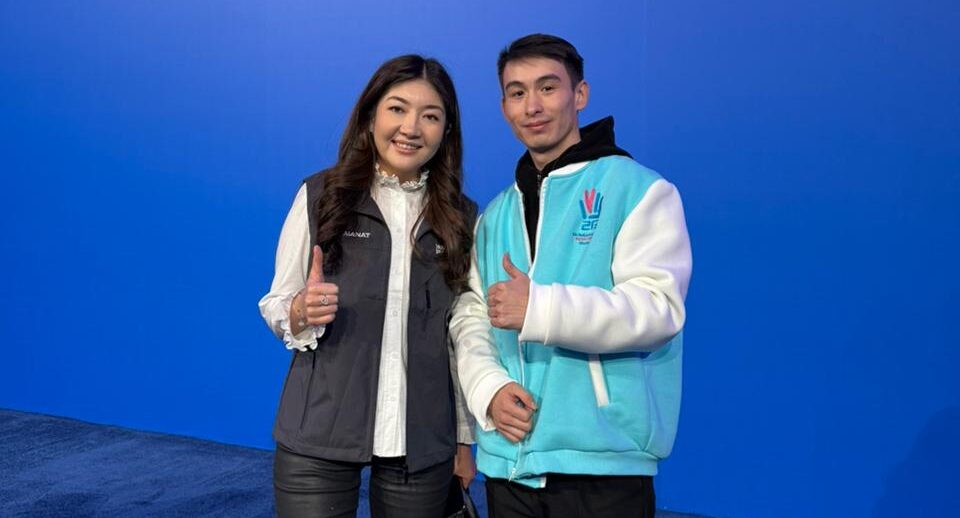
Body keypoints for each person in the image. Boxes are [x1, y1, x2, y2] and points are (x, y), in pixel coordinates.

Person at [449, 34, 692, 517]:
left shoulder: (638, 189)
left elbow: (658, 309)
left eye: (548, 87)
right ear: (504, 107)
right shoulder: (495, 215)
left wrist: (539, 308)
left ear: (579, 94)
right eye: (517, 93)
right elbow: (471, 315)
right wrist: (487, 390)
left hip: (604, 465)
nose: (532, 106)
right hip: (509, 463)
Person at [259, 54, 477, 518]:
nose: (410, 128)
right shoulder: (320, 195)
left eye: (430, 116)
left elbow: (460, 338)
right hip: (319, 430)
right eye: (397, 109)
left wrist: (463, 441)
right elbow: (277, 302)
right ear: (370, 115)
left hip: (422, 442)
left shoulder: (462, 218)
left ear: (447, 131)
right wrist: (299, 311)